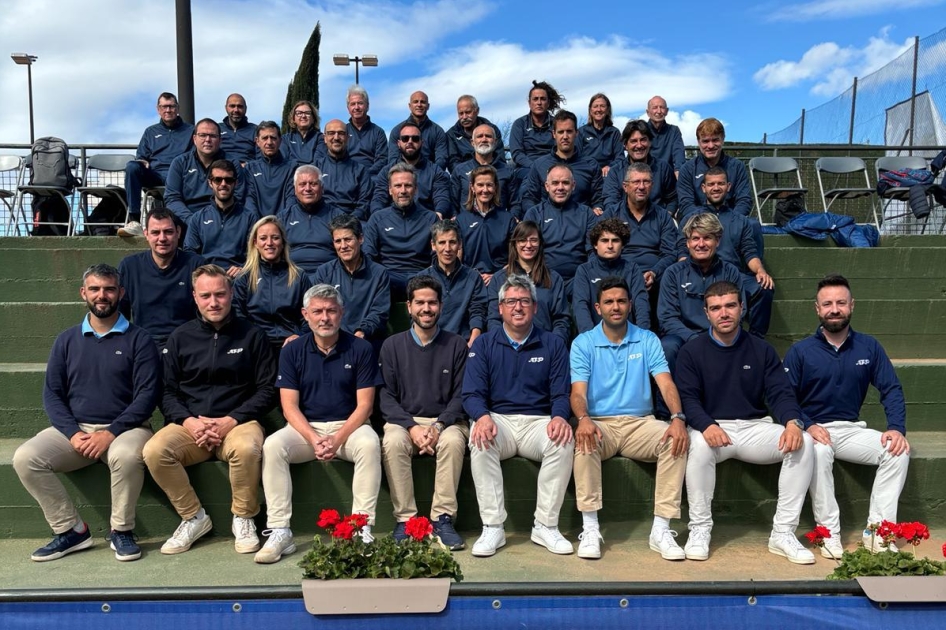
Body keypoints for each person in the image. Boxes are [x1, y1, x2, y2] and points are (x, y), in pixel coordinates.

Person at [14, 264, 161, 562]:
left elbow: (147, 396)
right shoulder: (66, 340)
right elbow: (52, 395)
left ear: (120, 292)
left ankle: (121, 530)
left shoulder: (140, 339)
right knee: (26, 458)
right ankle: (71, 530)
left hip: (127, 429)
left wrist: (110, 433)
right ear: (84, 293)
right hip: (76, 429)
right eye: (95, 289)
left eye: (108, 289)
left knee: (126, 456)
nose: (102, 295)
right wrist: (73, 433)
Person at [675, 281, 815, 564]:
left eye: (730, 306)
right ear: (706, 313)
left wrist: (792, 422)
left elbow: (780, 393)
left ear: (742, 308)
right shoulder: (692, 351)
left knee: (805, 442)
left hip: (754, 428)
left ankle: (783, 533)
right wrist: (706, 424)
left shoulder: (761, 350)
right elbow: (687, 399)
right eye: (715, 308)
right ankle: (700, 529)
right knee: (699, 446)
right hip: (713, 429)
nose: (723, 313)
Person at [144, 264, 275, 555]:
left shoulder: (252, 336)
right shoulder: (179, 337)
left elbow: (268, 390)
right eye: (206, 296)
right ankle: (193, 517)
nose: (213, 302)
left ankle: (244, 516)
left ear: (231, 294)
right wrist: (189, 422)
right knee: (154, 451)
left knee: (246, 449)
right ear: (194, 297)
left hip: (239, 422)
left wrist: (231, 420)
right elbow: (166, 392)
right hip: (191, 426)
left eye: (220, 294)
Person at [784, 274, 910, 558]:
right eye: (827, 304)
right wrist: (808, 423)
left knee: (898, 452)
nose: (834, 309)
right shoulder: (801, 351)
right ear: (817, 309)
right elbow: (784, 399)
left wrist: (896, 428)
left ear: (852, 305)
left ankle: (878, 532)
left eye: (841, 302)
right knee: (818, 452)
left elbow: (891, 388)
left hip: (851, 429)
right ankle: (828, 533)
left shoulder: (869, 347)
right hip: (812, 429)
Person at [255, 284, 382, 564]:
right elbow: (288, 407)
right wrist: (314, 439)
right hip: (306, 429)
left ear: (341, 313)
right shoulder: (292, 351)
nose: (325, 317)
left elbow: (365, 406)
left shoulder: (361, 348)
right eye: (318, 311)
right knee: (274, 445)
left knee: (370, 443)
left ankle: (361, 528)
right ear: (305, 315)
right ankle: (279, 531)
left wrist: (336, 439)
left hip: (349, 428)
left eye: (331, 311)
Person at [570, 277, 688, 560]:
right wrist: (583, 418)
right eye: (609, 302)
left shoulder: (647, 339)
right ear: (598, 307)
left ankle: (661, 529)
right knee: (583, 442)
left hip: (641, 424)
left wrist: (678, 418)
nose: (616, 307)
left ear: (630, 305)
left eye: (621, 301)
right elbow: (577, 392)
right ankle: (590, 528)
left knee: (676, 440)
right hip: (601, 424)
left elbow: (666, 383)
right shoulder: (583, 343)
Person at [464, 274, 574, 557]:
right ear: (500, 307)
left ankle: (545, 525)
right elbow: (472, 394)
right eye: (511, 301)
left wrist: (560, 417)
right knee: (478, 436)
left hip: (538, 422)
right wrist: (482, 416)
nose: (518, 307)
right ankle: (493, 527)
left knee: (563, 440)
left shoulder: (553, 344)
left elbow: (561, 394)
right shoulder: (484, 344)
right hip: (498, 419)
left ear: (535, 308)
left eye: (525, 301)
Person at [380, 276, 469, 550]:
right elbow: (385, 397)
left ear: (441, 306)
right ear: (409, 306)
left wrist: (439, 426)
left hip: (446, 421)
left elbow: (461, 396)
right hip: (406, 422)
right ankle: (406, 520)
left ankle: (442, 519)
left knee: (454, 441)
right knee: (392, 441)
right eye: (420, 302)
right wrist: (412, 428)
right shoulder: (392, 345)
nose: (426, 308)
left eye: (432, 302)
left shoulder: (456, 344)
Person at [683, 167, 773, 337]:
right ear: (704, 188)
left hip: (733, 274)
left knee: (764, 287)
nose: (716, 188)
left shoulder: (740, 221)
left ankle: (754, 339)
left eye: (720, 183)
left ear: (728, 186)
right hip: (702, 271)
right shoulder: (692, 218)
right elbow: (682, 250)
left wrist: (760, 271)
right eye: (711, 184)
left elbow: (749, 251)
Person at [657, 213, 745, 374]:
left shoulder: (730, 272)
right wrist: (694, 339)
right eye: (695, 238)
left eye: (707, 238)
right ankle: (668, 399)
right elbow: (667, 318)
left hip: (720, 333)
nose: (701, 244)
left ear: (717, 241)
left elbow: (741, 310)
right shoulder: (673, 273)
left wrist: (713, 337)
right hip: (683, 336)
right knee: (667, 347)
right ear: (688, 243)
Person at [118, 207, 204, 345]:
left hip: (187, 344)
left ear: (178, 232)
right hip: (145, 345)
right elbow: (120, 315)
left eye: (168, 232)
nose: (162, 238)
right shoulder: (129, 266)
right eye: (155, 232)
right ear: (146, 234)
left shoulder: (196, 264)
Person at [233, 215, 312, 356]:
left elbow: (310, 314)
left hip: (292, 343)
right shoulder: (244, 278)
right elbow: (238, 315)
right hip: (256, 344)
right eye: (263, 238)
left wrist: (299, 336)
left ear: (282, 242)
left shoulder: (299, 276)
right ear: (255, 243)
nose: (269, 243)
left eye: (275, 238)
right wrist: (253, 338)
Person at [604, 162, 685, 297]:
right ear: (625, 186)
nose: (641, 187)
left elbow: (670, 253)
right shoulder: (611, 215)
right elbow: (599, 249)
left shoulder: (663, 216)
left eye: (646, 182)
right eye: (636, 182)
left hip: (655, 279)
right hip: (618, 278)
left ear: (652, 186)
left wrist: (654, 272)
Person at [120, 92, 194, 237]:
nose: (168, 110)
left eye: (172, 106)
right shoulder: (150, 132)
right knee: (132, 167)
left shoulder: (190, 131)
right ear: (158, 109)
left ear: (178, 108)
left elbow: (195, 157)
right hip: (155, 174)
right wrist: (142, 161)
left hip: (180, 175)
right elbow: (141, 156)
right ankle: (134, 221)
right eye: (164, 107)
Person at [313, 214, 391, 348]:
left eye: (348, 239)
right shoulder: (324, 272)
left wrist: (362, 331)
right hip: (332, 342)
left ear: (360, 239)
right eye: (338, 241)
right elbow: (320, 310)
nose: (343, 246)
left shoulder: (379, 273)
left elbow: (379, 312)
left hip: (366, 341)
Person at [363, 163, 439, 300]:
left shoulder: (431, 218)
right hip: (388, 279)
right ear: (390, 190)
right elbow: (368, 256)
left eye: (408, 186)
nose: (403, 190)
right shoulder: (377, 219)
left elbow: (437, 256)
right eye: (398, 186)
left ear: (415, 189)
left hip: (423, 277)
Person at [487, 221, 570, 345]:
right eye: (522, 240)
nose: (528, 245)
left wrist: (553, 346)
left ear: (540, 243)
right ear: (515, 244)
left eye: (533, 240)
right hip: (508, 348)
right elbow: (494, 319)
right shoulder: (499, 279)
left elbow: (561, 320)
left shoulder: (554, 278)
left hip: (545, 347)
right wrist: (503, 345)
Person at [523, 163, 601, 295]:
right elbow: (527, 251)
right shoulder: (534, 214)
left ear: (573, 185)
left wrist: (586, 278)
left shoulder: (587, 214)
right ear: (547, 187)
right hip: (542, 280)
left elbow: (594, 251)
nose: (560, 187)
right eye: (555, 183)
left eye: (565, 183)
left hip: (579, 280)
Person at [183, 159, 260, 277]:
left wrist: (244, 268)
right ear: (210, 183)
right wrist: (203, 270)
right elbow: (190, 253)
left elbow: (256, 253)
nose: (223, 184)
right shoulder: (197, 218)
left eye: (228, 180)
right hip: (206, 277)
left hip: (238, 278)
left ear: (235, 183)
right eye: (218, 180)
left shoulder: (250, 218)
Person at [572, 218, 650, 333]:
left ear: (622, 245)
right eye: (604, 240)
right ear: (595, 245)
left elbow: (641, 305)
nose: (610, 246)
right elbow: (581, 307)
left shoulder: (633, 269)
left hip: (630, 336)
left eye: (615, 240)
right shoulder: (584, 271)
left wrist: (642, 336)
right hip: (595, 338)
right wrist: (591, 340)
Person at [416, 220, 487, 345]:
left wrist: (472, 342)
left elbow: (477, 313)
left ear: (459, 244)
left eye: (452, 242)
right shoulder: (422, 278)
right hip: (431, 344)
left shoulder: (473, 277)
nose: (447, 249)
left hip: (463, 344)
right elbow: (417, 318)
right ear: (433, 245)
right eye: (442, 243)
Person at [164, 118, 246, 225]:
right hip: (187, 221)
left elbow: (238, 197)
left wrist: (217, 220)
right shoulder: (179, 163)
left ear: (220, 140)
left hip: (224, 220)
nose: (207, 139)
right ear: (194, 139)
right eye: (202, 135)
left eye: (213, 136)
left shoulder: (233, 164)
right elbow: (172, 199)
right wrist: (192, 221)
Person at [521, 110, 603, 214]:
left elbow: (598, 199)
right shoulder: (539, 165)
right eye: (560, 132)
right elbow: (529, 198)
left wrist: (597, 208)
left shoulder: (591, 165)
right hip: (547, 224)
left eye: (569, 131)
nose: (565, 136)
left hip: (581, 223)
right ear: (554, 134)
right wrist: (536, 217)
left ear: (576, 133)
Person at [276, 165, 346, 277]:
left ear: (322, 188)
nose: (307, 189)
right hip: (291, 277)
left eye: (313, 184)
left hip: (329, 277)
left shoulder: (337, 216)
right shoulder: (283, 218)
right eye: (302, 184)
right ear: (295, 189)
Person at [371, 123, 451, 218]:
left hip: (426, 221)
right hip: (394, 221)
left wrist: (438, 214)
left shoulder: (435, 171)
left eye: (415, 138)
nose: (410, 142)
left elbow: (442, 198)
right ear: (398, 143)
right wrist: (379, 218)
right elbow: (378, 199)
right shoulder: (386, 172)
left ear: (422, 142)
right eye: (405, 138)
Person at [677, 118, 752, 218]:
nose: (711, 145)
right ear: (698, 142)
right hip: (699, 224)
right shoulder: (687, 169)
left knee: (754, 225)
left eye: (715, 140)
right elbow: (686, 204)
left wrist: (731, 221)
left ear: (723, 139)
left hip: (731, 221)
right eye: (705, 141)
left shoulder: (737, 167)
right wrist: (707, 223)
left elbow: (744, 200)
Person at [454, 165, 517, 284]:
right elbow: (457, 257)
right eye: (480, 185)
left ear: (496, 187)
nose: (485, 189)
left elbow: (515, 257)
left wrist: (497, 276)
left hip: (502, 280)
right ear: (472, 187)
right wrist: (471, 275)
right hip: (469, 280)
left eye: (489, 185)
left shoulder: (508, 219)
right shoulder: (460, 220)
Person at [603, 120, 678, 216]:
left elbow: (673, 199)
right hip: (624, 224)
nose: (639, 145)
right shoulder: (615, 172)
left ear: (650, 142)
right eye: (633, 141)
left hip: (658, 222)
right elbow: (610, 202)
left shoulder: (663, 168)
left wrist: (666, 216)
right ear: (625, 145)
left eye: (643, 140)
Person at [450, 124, 517, 214]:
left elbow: (515, 203)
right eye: (479, 136)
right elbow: (452, 202)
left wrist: (512, 220)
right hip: (466, 226)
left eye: (488, 136)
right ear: (472, 142)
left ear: (495, 142)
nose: (484, 139)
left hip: (499, 224)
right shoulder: (459, 170)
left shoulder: (508, 171)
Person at [316, 119, 372, 220]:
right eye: (331, 133)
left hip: (351, 222)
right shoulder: (315, 169)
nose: (336, 137)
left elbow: (364, 203)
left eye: (341, 133)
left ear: (347, 138)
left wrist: (348, 223)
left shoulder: (360, 170)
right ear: (324, 138)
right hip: (321, 220)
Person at [509, 80, 565, 179]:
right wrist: (535, 166)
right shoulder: (519, 124)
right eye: (535, 99)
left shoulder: (557, 124)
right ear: (529, 103)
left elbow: (561, 149)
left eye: (543, 99)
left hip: (553, 167)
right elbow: (517, 153)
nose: (539, 103)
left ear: (548, 103)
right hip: (526, 167)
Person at [243, 121, 297, 217]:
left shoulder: (292, 167)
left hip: (284, 225)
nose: (269, 142)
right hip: (257, 226)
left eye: (273, 138)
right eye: (264, 138)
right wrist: (258, 226)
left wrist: (280, 225)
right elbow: (250, 198)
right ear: (257, 141)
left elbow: (291, 199)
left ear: (280, 140)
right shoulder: (250, 168)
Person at [387, 90, 448, 170]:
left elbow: (441, 160)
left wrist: (430, 175)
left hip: (430, 177)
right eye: (415, 102)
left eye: (422, 102)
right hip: (403, 176)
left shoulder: (438, 132)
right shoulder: (397, 131)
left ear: (428, 106)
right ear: (409, 106)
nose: (419, 105)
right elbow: (393, 159)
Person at [446, 95, 505, 172]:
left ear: (477, 111)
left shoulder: (492, 130)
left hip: (493, 173)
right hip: (465, 175)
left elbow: (499, 157)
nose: (464, 117)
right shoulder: (451, 135)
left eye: (468, 112)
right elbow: (453, 162)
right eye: (461, 113)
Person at [345, 85, 388, 177]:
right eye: (353, 104)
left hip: (371, 177)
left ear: (367, 106)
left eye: (360, 103)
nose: (356, 107)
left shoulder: (378, 132)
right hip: (346, 176)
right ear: (348, 108)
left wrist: (364, 174)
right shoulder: (342, 131)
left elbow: (382, 160)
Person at [579, 93, 622, 176]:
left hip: (608, 174)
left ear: (607, 110)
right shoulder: (581, 132)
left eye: (602, 106)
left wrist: (610, 167)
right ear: (590, 110)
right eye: (595, 106)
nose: (599, 109)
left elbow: (620, 157)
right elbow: (577, 156)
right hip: (588, 173)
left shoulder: (614, 132)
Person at [645, 96, 686, 177]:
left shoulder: (674, 131)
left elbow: (679, 154)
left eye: (662, 107)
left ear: (667, 111)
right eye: (655, 108)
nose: (659, 111)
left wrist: (678, 171)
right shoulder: (641, 131)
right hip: (646, 175)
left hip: (668, 177)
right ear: (648, 112)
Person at [218, 93, 258, 164]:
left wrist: (248, 165)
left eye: (240, 106)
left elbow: (262, 157)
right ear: (226, 108)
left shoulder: (256, 130)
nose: (236, 110)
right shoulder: (216, 129)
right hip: (220, 169)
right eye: (232, 106)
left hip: (248, 170)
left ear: (245, 109)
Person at [280, 100, 324, 164]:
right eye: (299, 113)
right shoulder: (285, 139)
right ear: (293, 118)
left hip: (313, 173)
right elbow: (284, 161)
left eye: (307, 113)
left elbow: (319, 161)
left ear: (313, 119)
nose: (303, 116)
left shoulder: (320, 138)